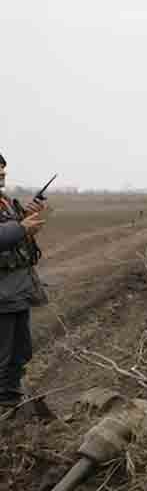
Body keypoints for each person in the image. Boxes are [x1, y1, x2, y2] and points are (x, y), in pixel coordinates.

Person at [0, 152, 48, 414]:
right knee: (3, 354)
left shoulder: (5, 201)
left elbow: (15, 230)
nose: (2, 173)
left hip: (17, 289)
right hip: (2, 294)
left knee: (20, 351)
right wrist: (21, 228)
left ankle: (10, 401)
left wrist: (27, 219)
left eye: (3, 168)